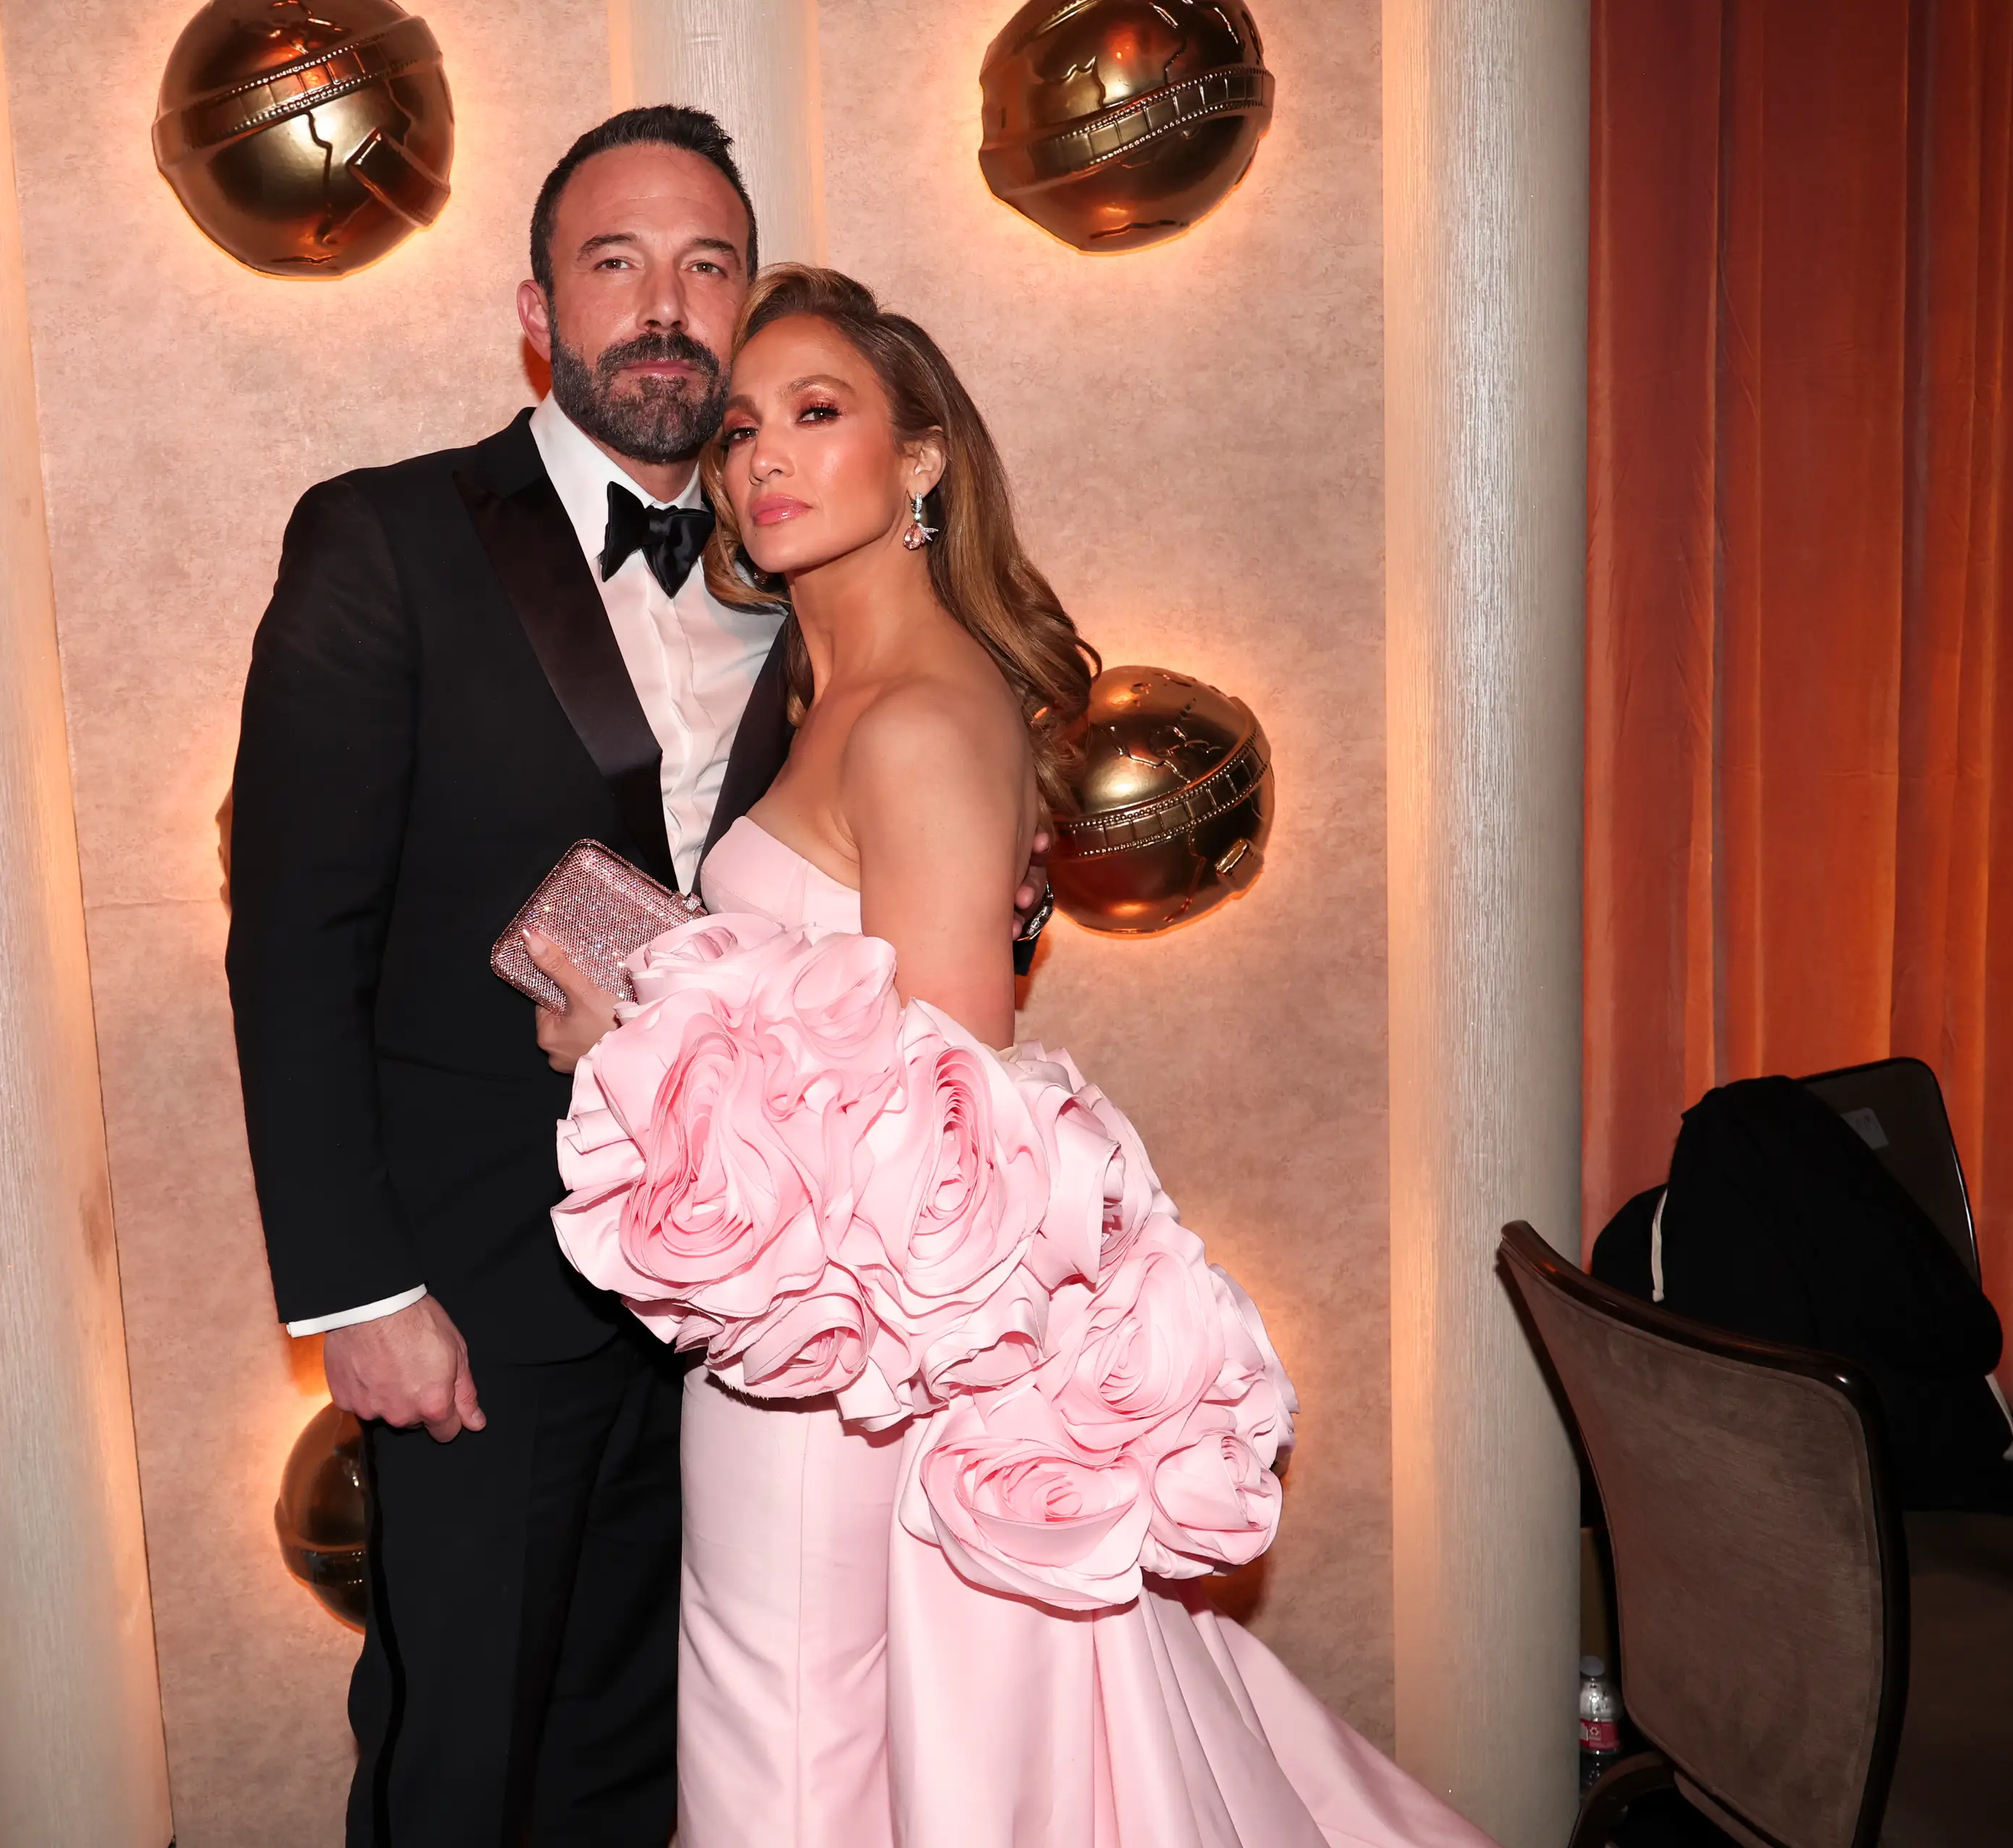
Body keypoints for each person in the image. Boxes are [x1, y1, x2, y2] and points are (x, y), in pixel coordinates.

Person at [539, 266, 1496, 1847]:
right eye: (739, 432)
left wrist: (637, 1039)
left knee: (789, 1753)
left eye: (818, 413)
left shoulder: (913, 715)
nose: (762, 458)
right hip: (815, 1337)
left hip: (838, 1364)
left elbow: (940, 1125)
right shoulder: (833, 687)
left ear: (922, 459)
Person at [232, 107, 1049, 1846]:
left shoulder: (810, 590)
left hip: (746, 1320)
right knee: (462, 1752)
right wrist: (354, 1288)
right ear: (539, 312)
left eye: (707, 266)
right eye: (617, 263)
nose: (666, 304)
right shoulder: (385, 539)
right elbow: (292, 936)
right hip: (471, 1299)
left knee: (662, 1757)